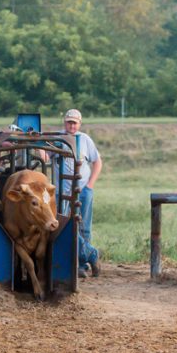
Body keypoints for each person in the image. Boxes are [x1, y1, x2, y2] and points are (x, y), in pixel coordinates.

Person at [60, 109, 103, 278]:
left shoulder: (85, 140)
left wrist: (90, 185)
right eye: (69, 122)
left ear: (79, 124)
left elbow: (97, 161)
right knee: (64, 225)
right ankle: (90, 254)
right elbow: (45, 157)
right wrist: (40, 148)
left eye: (74, 122)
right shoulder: (57, 139)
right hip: (63, 191)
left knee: (84, 227)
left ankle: (82, 265)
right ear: (64, 122)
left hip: (83, 190)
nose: (71, 125)